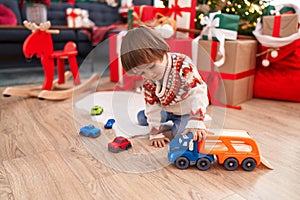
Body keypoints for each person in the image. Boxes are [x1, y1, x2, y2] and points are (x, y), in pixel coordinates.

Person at [120, 26, 209, 148]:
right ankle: (163, 122)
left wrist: (196, 120)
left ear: (162, 50)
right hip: (167, 110)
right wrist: (155, 132)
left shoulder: (182, 66)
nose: (150, 75)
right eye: (142, 73)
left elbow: (198, 91)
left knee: (180, 134)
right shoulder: (148, 83)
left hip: (186, 111)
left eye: (151, 67)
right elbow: (152, 106)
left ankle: (187, 121)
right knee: (142, 117)